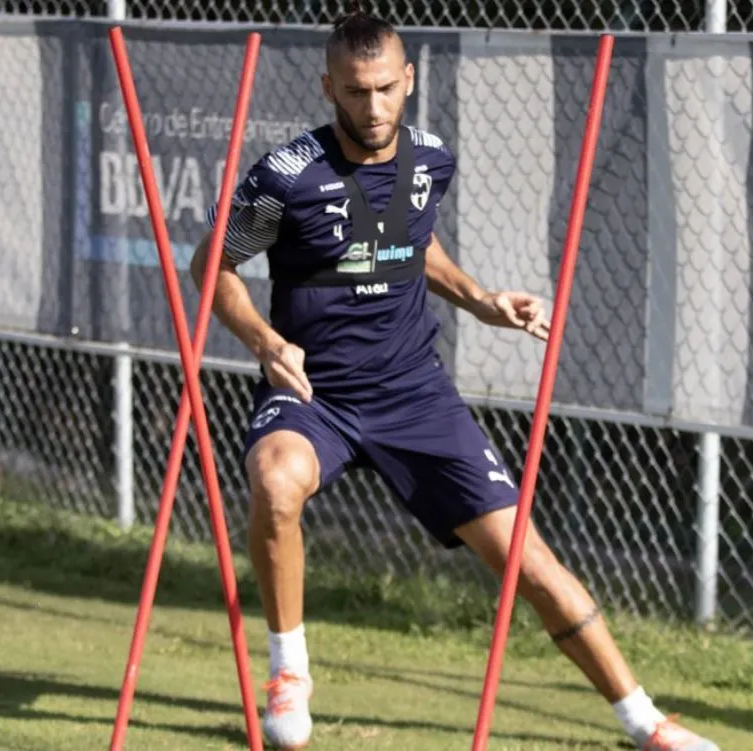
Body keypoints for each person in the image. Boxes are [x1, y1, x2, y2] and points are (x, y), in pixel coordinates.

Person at [190, 7, 720, 751]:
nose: (370, 107)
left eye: (383, 89)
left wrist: (482, 299)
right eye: (353, 91)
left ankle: (646, 720)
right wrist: (264, 339)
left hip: (414, 394)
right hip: (315, 393)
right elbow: (211, 266)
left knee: (528, 560)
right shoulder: (286, 176)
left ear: (408, 80)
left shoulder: (431, 158)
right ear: (327, 87)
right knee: (276, 483)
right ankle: (290, 671)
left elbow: (413, 245)